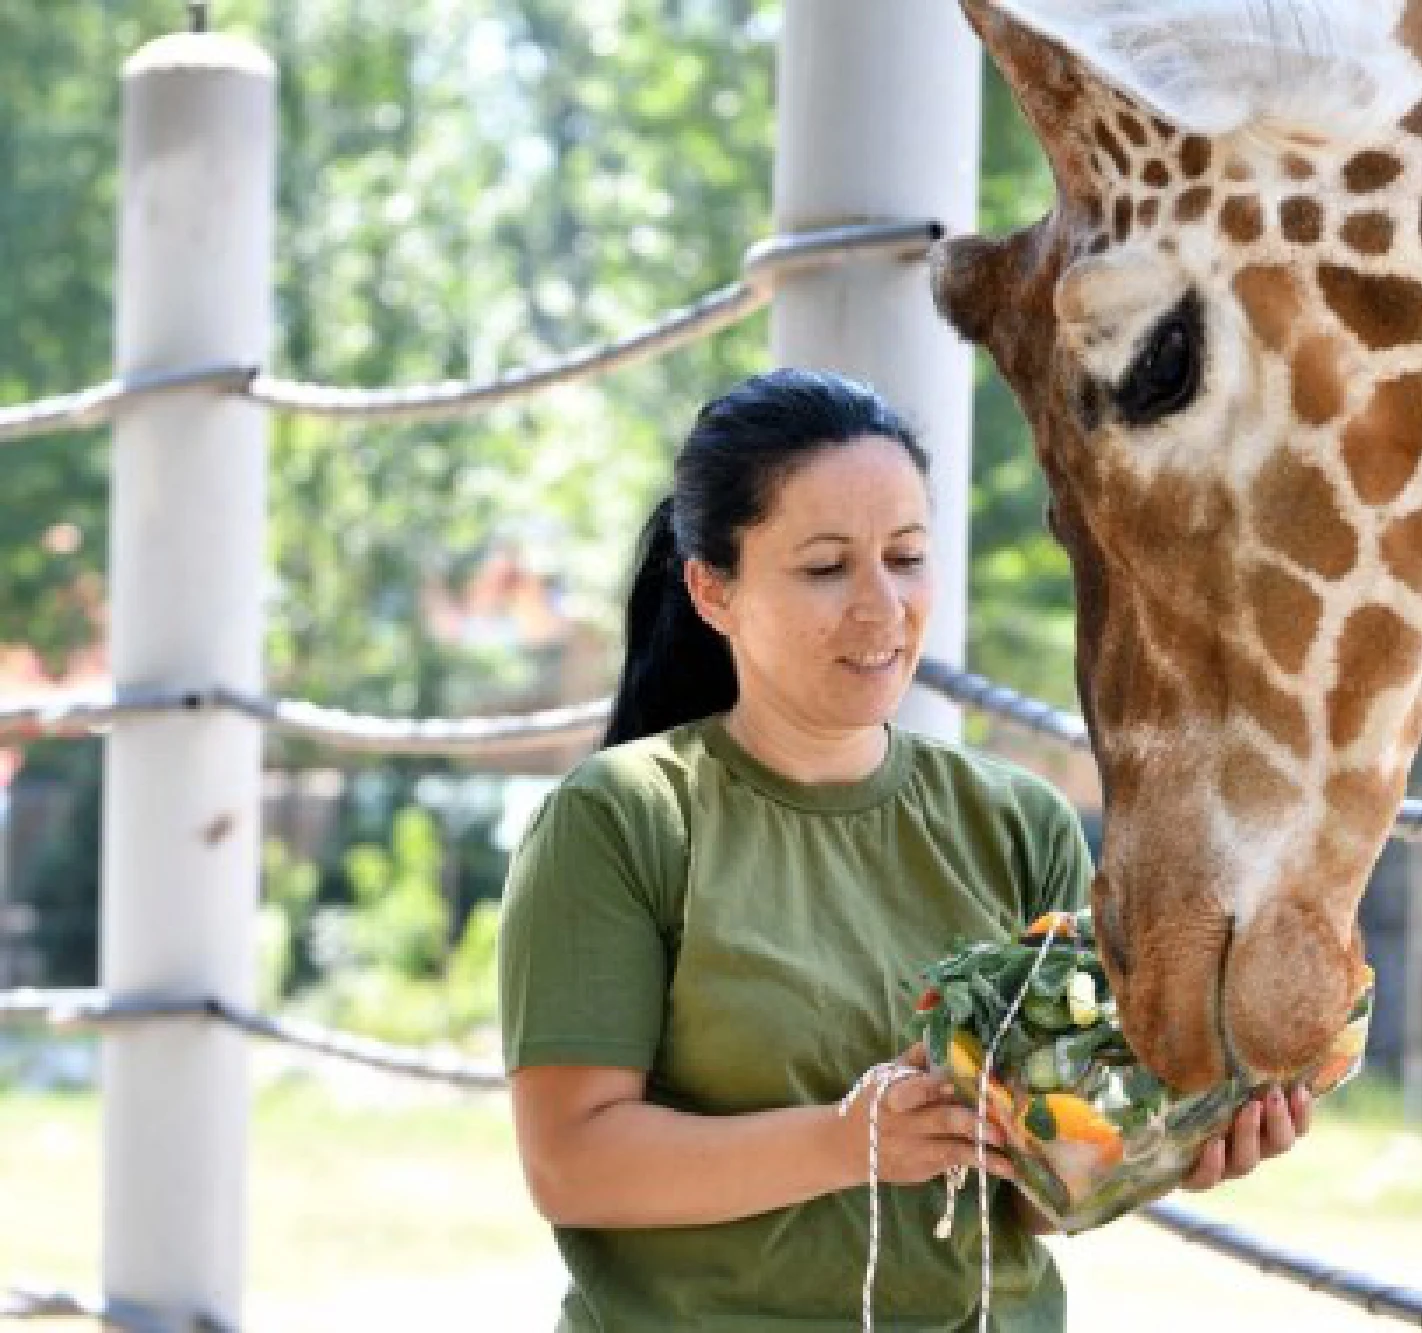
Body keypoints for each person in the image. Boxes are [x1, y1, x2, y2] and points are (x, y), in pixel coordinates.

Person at [498, 368, 1311, 1331]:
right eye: (825, 567)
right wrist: (845, 1143)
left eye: (907, 555)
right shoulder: (624, 818)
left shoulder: (1020, 822)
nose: (882, 606)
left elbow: (1030, 1194)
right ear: (713, 589)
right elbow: (573, 1164)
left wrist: (1169, 1143)